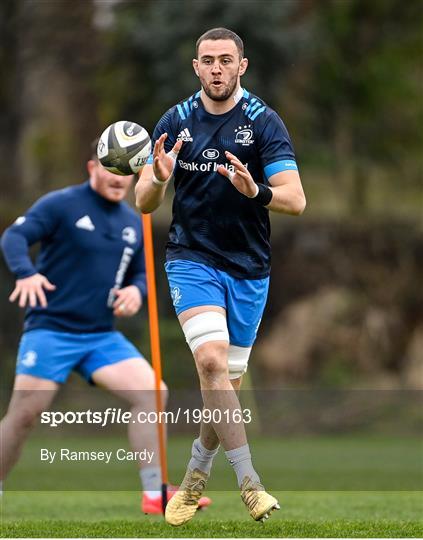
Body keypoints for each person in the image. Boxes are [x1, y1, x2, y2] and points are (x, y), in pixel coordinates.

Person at [135, 27, 306, 525]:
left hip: (250, 269)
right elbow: (143, 201)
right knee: (211, 362)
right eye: (207, 60)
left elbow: (296, 199)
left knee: (223, 386)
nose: (216, 69)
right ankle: (251, 485)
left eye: (225, 60)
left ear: (241, 66)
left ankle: (193, 477)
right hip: (191, 258)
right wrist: (160, 177)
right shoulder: (175, 120)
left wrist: (256, 191)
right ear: (195, 67)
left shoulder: (263, 121)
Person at [0, 144, 211, 514]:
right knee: (24, 414)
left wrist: (136, 290)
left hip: (100, 336)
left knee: (152, 393)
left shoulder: (132, 223)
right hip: (51, 330)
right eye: (110, 169)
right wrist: (26, 273)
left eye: (126, 171)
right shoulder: (59, 205)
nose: (118, 179)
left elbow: (141, 274)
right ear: (91, 167)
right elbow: (13, 238)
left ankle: (154, 493)